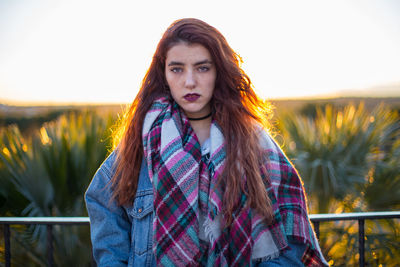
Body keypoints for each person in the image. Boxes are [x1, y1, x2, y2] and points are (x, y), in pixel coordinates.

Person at [85, 18, 328, 266]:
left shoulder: (253, 142)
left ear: (219, 71)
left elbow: (291, 229)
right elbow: (102, 200)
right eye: (177, 69)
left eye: (202, 68)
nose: (189, 81)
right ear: (164, 73)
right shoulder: (144, 141)